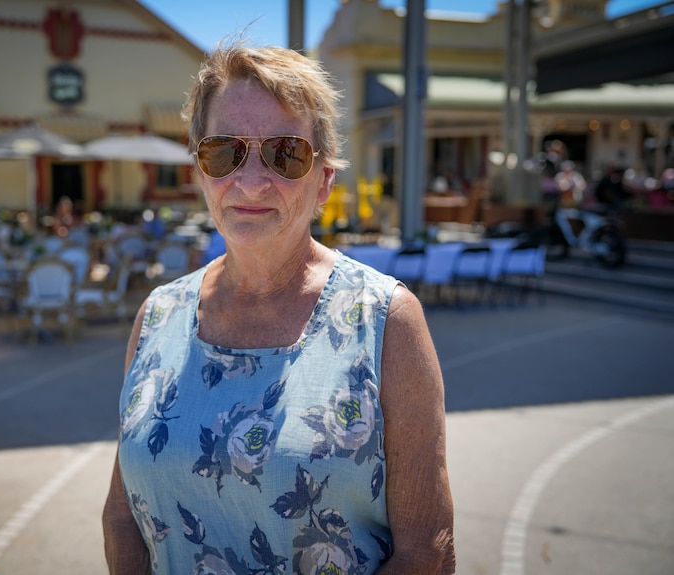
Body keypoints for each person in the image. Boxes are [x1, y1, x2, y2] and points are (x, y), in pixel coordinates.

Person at [103, 40, 455, 574]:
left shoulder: (386, 320)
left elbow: (427, 550)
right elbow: (121, 518)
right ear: (200, 170)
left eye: (286, 153)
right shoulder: (157, 315)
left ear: (324, 182)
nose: (249, 180)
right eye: (224, 151)